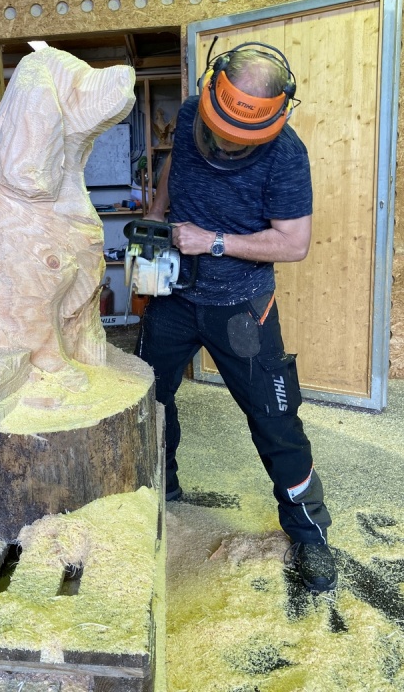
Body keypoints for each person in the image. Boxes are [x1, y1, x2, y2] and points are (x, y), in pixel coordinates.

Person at [135, 41, 337, 593]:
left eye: (239, 140)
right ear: (210, 94)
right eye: (218, 131)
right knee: (148, 398)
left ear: (275, 118)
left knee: (275, 419)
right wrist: (156, 215)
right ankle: (161, 493)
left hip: (242, 306)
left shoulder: (286, 155)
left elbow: (293, 243)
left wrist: (213, 241)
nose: (224, 145)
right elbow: (176, 164)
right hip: (176, 294)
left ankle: (310, 533)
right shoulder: (189, 113)